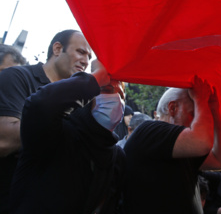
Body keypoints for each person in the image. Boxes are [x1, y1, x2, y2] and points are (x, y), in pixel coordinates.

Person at [9, 60, 126, 213]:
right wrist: (96, 77)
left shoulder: (116, 157)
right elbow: (40, 105)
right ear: (87, 97)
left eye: (121, 95)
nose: (115, 98)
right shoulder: (55, 133)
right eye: (108, 89)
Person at [0, 29, 91, 213]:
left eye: (89, 56)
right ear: (57, 49)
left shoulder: (79, 102)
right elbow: (5, 140)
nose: (86, 61)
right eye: (81, 52)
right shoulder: (17, 77)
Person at [123, 76, 221, 214]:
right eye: (194, 114)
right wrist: (200, 99)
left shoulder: (182, 147)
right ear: (172, 108)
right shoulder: (149, 130)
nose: (200, 120)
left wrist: (214, 110)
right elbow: (202, 142)